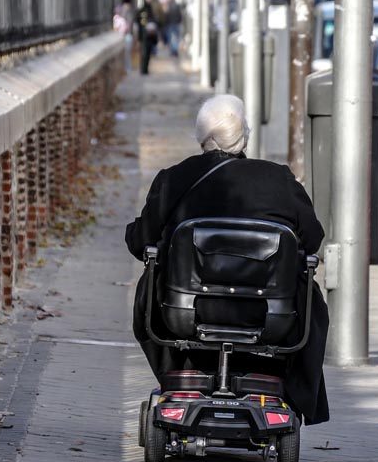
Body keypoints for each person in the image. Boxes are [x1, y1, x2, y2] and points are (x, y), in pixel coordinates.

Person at [125, 95, 330, 425]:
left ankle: (182, 371)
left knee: (151, 282)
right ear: (245, 135)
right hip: (269, 317)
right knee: (309, 292)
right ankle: (287, 387)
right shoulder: (280, 180)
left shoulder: (174, 179)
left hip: (186, 313)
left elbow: (139, 242)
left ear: (202, 136)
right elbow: (313, 239)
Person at [135, 0, 158, 75]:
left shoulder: (143, 10)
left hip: (146, 35)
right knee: (145, 52)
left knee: (145, 52)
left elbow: (137, 21)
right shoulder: (146, 10)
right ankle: (144, 69)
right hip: (146, 35)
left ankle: (144, 68)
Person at [113, 0, 135, 72]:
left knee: (126, 53)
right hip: (127, 34)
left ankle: (127, 68)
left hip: (122, 34)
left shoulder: (120, 10)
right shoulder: (127, 11)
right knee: (127, 53)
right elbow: (129, 23)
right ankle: (128, 68)